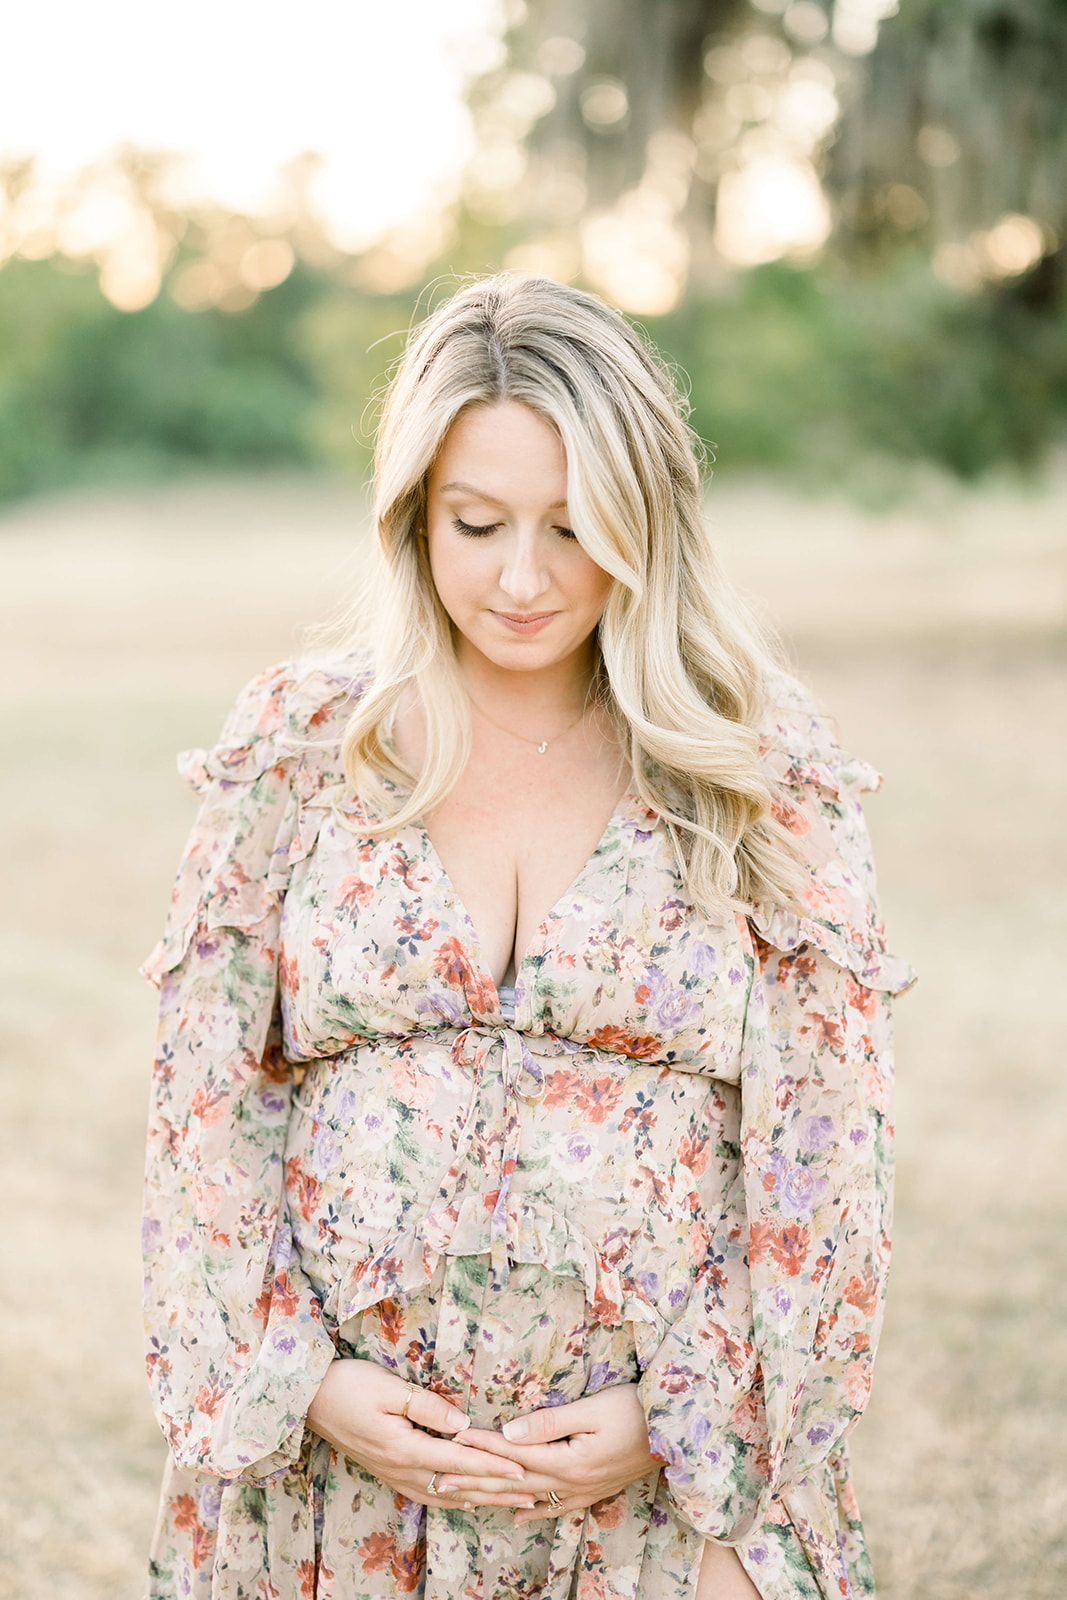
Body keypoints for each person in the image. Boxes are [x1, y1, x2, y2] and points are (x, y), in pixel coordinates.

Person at [140, 273, 914, 1600]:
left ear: (647, 517)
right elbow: (203, 1106)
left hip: (668, 1495)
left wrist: (683, 1414)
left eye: (572, 527)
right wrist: (308, 1380)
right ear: (411, 516)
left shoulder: (756, 768)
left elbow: (823, 1161)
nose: (520, 577)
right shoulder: (304, 750)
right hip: (336, 1497)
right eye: (477, 521)